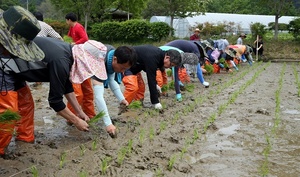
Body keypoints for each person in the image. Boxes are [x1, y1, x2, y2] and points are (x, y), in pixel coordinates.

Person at [122, 45, 182, 110]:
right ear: (167, 57)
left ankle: (137, 105)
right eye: (171, 65)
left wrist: (156, 84)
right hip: (125, 65)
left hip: (135, 67)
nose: (169, 67)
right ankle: (123, 106)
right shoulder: (154, 57)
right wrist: (155, 102)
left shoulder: (159, 57)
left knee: (141, 87)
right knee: (132, 87)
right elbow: (151, 79)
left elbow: (150, 70)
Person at [65, 12, 95, 119]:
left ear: (69, 20)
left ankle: (90, 114)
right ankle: (73, 116)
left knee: (86, 91)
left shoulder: (78, 27)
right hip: (74, 56)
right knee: (78, 93)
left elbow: (85, 39)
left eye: (66, 20)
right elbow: (68, 38)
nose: (66, 22)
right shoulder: (72, 28)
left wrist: (75, 43)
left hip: (81, 55)